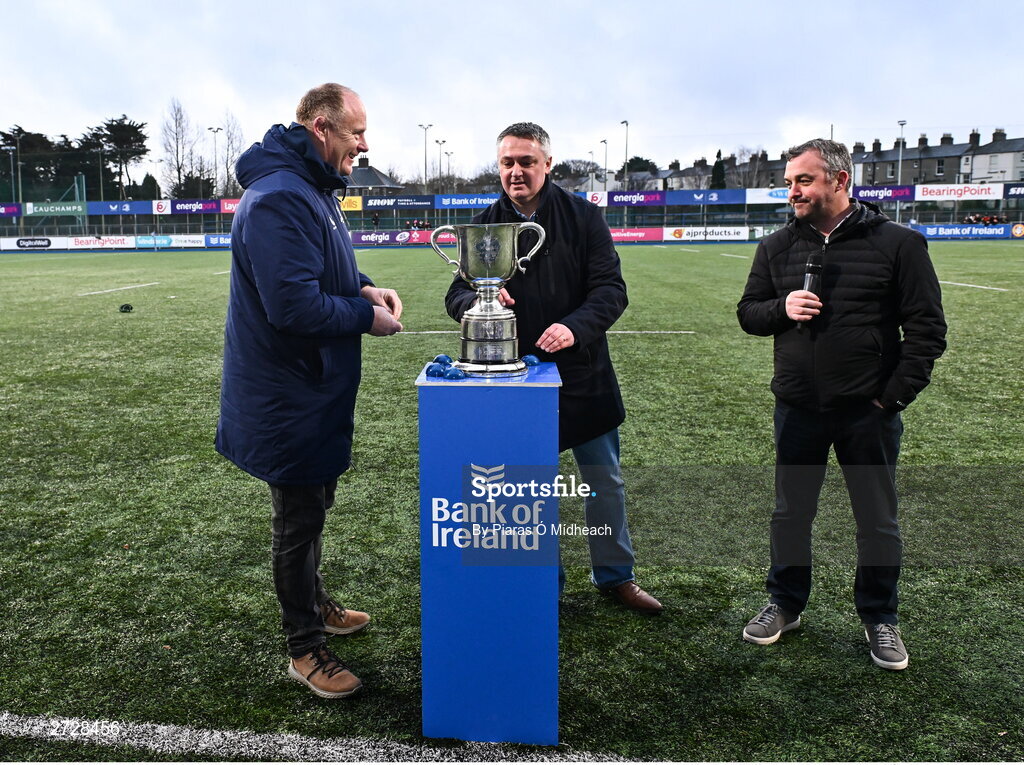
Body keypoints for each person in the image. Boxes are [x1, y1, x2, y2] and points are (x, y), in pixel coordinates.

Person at [215, 83, 404, 698]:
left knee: (313, 508)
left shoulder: (310, 187)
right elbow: (294, 306)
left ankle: (317, 606)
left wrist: (365, 288)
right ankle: (304, 649)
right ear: (321, 128)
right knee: (297, 520)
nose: (364, 144)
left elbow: (325, 268)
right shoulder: (277, 197)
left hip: (310, 390)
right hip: (284, 396)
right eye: (356, 132)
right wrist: (364, 318)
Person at [736, 139, 946, 670]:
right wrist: (780, 307)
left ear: (840, 180)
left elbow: (927, 331)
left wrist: (891, 397)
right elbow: (748, 314)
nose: (793, 191)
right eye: (789, 183)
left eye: (803, 180)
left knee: (877, 520)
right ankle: (785, 604)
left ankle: (880, 618)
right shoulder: (776, 247)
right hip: (798, 407)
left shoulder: (899, 244)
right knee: (790, 514)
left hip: (866, 411)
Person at [445, 122, 662, 615]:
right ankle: (547, 585)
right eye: (507, 163)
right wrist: (477, 303)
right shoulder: (484, 223)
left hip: (582, 373)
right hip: (512, 379)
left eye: (526, 161)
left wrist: (574, 328)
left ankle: (617, 577)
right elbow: (456, 292)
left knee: (604, 483)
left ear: (547, 164)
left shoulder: (584, 217)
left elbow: (611, 290)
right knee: (527, 489)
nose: (516, 171)